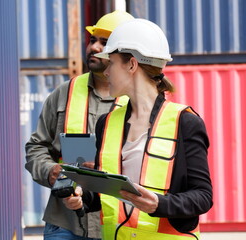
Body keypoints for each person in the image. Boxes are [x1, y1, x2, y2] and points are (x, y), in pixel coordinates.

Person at [63, 18, 213, 240]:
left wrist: (159, 204)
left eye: (111, 63)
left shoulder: (185, 122)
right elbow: (107, 195)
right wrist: (81, 198)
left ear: (132, 65)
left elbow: (202, 196)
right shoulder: (107, 123)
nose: (106, 72)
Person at [25, 10, 134, 240]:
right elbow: (37, 147)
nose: (93, 47)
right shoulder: (65, 92)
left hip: (118, 225)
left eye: (104, 43)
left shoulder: (139, 102)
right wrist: (50, 171)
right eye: (92, 40)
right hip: (64, 224)